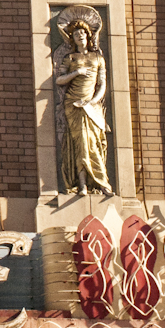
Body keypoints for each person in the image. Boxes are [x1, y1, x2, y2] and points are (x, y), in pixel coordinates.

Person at [55, 17, 113, 196]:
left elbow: (102, 84)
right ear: (71, 38)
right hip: (74, 104)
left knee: (93, 142)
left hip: (91, 104)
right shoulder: (70, 57)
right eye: (75, 34)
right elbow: (60, 80)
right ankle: (82, 185)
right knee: (80, 143)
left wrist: (93, 101)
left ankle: (100, 181)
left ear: (88, 36)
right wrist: (76, 72)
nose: (79, 36)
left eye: (82, 33)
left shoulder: (98, 58)